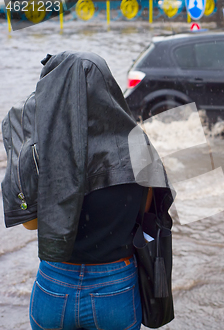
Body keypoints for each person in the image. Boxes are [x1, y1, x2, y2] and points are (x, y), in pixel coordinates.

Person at [2, 51, 173, 330]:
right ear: (108, 88)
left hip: (54, 286)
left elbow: (31, 224)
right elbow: (146, 216)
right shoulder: (138, 146)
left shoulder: (42, 150)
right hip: (115, 287)